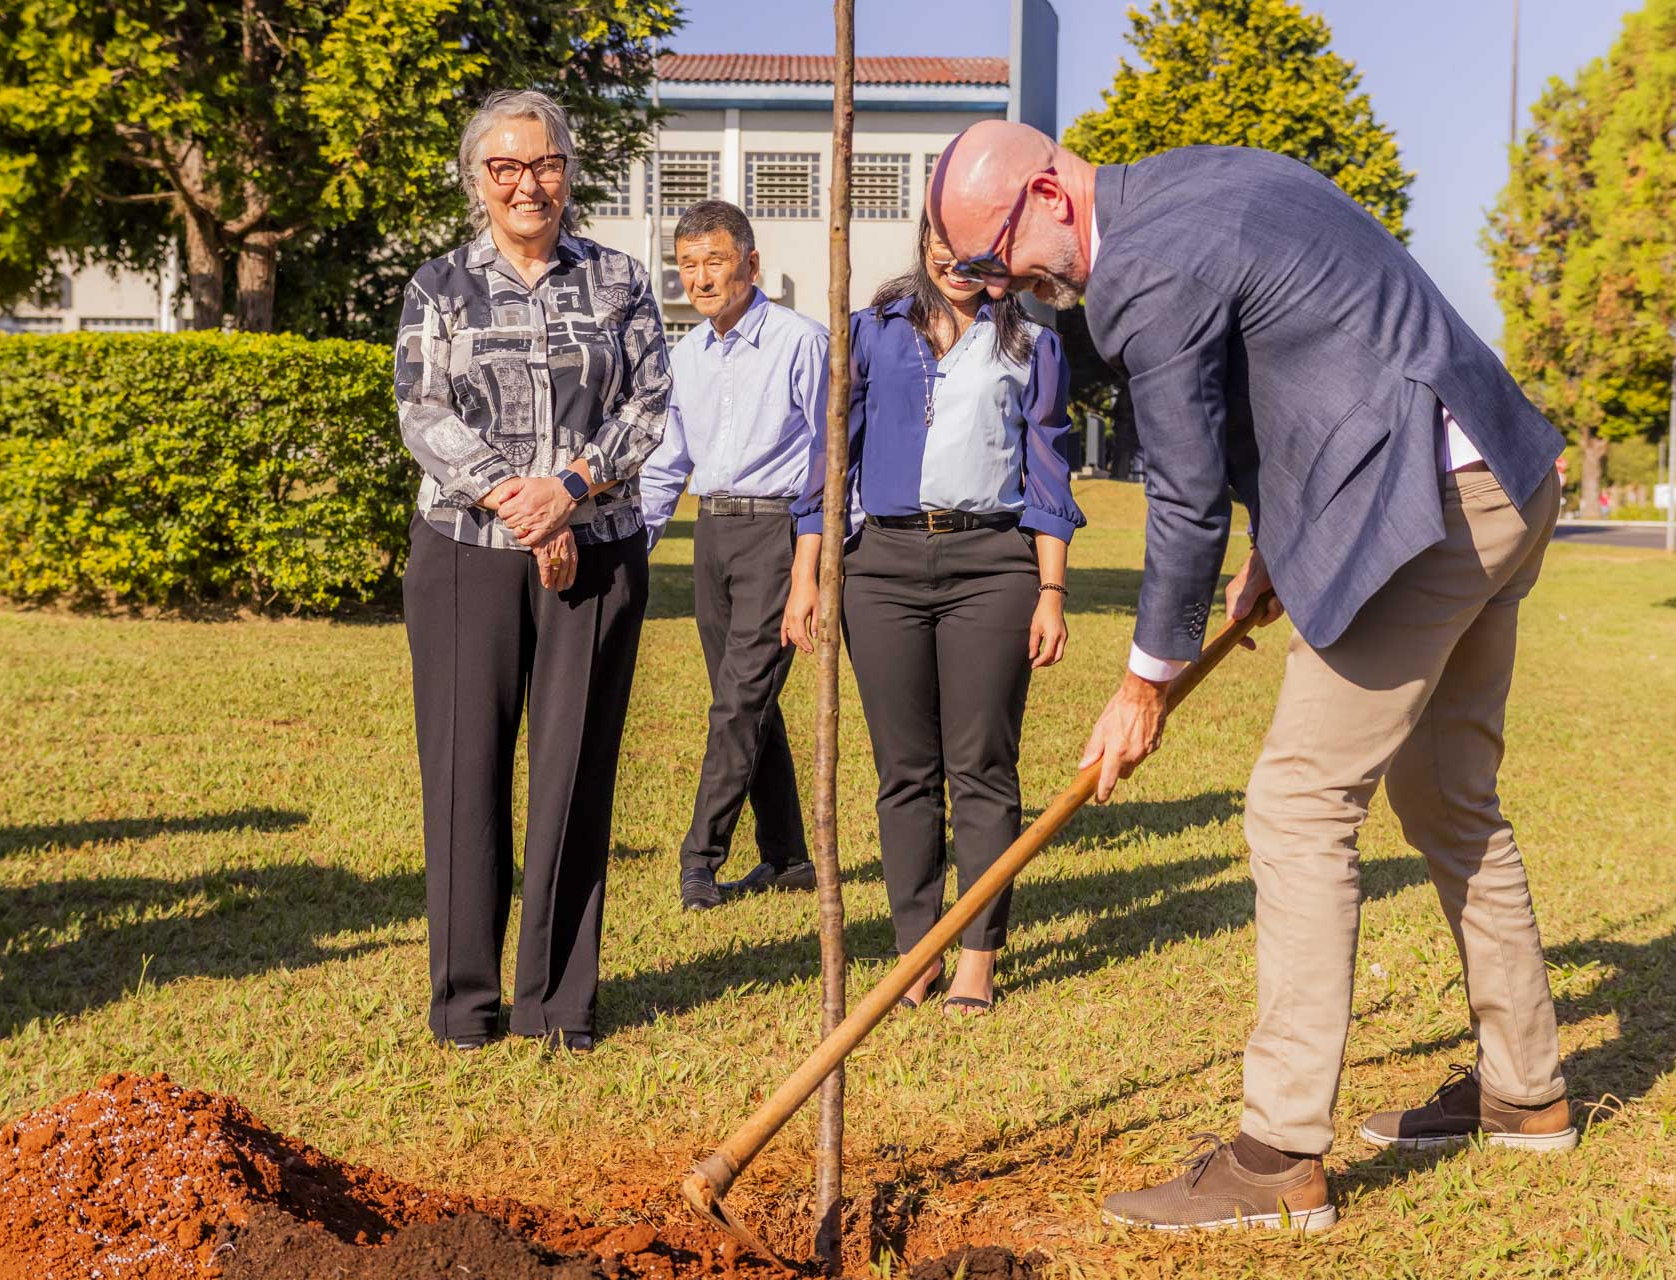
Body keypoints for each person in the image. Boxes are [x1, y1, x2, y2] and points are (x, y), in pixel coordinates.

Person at [930, 120, 1572, 1231]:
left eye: (995, 260)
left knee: (1297, 801)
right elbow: (1306, 355)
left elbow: (1182, 489)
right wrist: (1280, 542)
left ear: (1043, 192)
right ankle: (1526, 1089)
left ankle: (1276, 1156)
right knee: (1448, 794)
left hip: (1429, 511)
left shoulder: (1140, 268)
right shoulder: (1206, 178)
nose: (1005, 290)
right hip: (1502, 475)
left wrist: (1143, 678)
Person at [394, 90, 670, 1056]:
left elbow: (648, 409)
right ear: (476, 179)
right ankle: (466, 1006)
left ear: (569, 169)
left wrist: (571, 489)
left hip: (597, 555)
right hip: (466, 557)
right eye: (505, 166)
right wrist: (520, 501)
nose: (527, 182)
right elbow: (421, 412)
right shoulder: (438, 286)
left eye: (544, 162)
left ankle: (558, 1002)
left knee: (575, 773)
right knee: (466, 775)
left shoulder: (621, 280)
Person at [783, 215, 1083, 1016]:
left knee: (982, 766)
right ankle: (917, 947)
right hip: (880, 567)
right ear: (922, 244)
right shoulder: (869, 333)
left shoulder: (1032, 347)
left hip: (992, 567)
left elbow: (1049, 472)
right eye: (944, 245)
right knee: (903, 770)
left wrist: (1051, 593)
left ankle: (976, 956)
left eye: (978, 249)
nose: (957, 262)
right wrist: (806, 578)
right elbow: (828, 461)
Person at [641, 201, 827, 912]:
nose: (701, 277)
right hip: (711, 535)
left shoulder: (799, 342)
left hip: (778, 533)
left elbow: (830, 455)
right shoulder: (685, 355)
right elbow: (666, 464)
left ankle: (699, 860)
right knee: (750, 701)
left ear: (751, 262)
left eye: (715, 261)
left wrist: (822, 562)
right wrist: (639, 545)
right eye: (688, 265)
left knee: (737, 702)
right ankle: (785, 858)